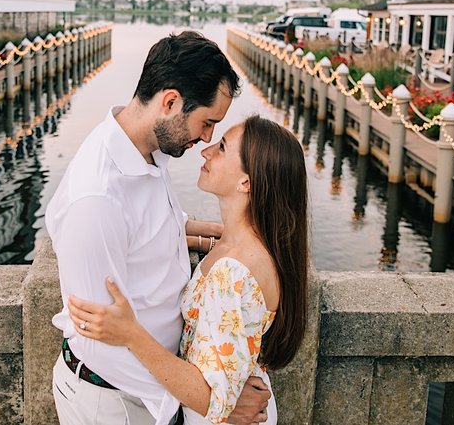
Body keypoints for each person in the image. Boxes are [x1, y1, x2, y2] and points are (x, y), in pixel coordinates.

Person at [45, 31, 271, 425]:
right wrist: (205, 402)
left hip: (152, 386)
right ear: (170, 102)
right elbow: (100, 343)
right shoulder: (98, 198)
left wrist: (228, 234)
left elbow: (151, 229)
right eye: (206, 122)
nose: (206, 138)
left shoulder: (147, 154)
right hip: (115, 400)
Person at [67, 115, 310, 425]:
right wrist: (189, 233)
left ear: (245, 182)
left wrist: (130, 333)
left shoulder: (233, 274)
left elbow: (218, 400)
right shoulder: (249, 243)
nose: (206, 150)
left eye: (222, 147)